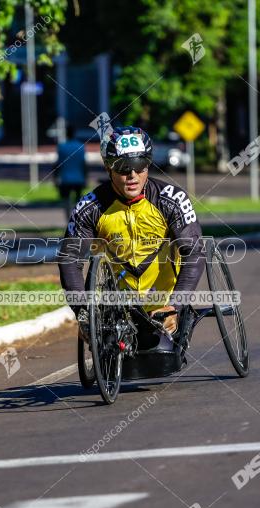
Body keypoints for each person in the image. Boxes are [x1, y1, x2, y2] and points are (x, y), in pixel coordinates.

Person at [58, 126, 204, 347]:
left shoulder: (172, 199)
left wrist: (176, 305)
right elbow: (69, 260)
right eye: (123, 167)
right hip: (118, 308)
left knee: (163, 357)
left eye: (139, 165)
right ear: (108, 168)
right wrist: (83, 312)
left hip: (164, 303)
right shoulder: (89, 207)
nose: (132, 175)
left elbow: (194, 253)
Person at [55, 124, 87, 220]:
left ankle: (68, 220)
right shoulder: (80, 146)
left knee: (66, 201)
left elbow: (58, 164)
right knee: (78, 201)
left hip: (65, 178)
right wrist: (85, 177)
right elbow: (84, 164)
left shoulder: (62, 147)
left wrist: (55, 177)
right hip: (79, 178)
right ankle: (77, 219)